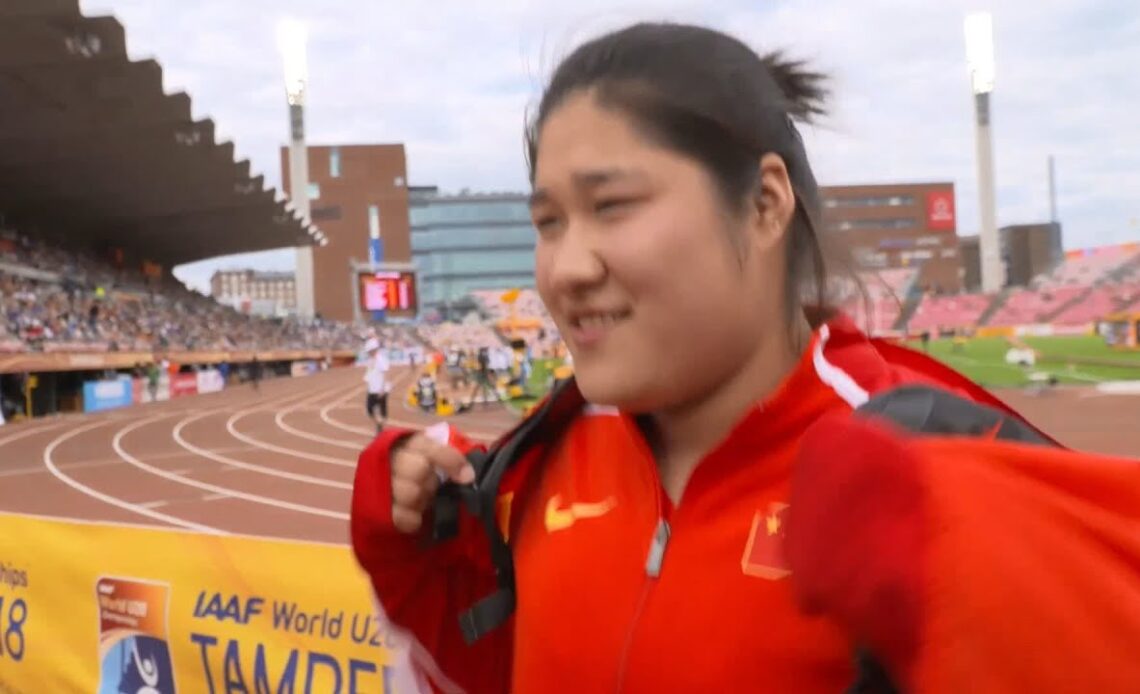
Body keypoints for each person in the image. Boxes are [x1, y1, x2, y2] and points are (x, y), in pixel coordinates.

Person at [350, 22, 1140, 694]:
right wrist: (421, 567)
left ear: (765, 204)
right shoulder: (536, 466)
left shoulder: (931, 470)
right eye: (549, 221)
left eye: (611, 206)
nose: (566, 267)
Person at [363, 337, 391, 432]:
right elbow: (369, 374)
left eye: (370, 351)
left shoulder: (381, 359)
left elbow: (385, 373)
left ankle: (380, 429)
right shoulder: (370, 360)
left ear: (374, 350)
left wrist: (382, 389)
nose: (368, 353)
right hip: (372, 389)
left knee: (383, 411)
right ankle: (379, 424)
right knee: (369, 409)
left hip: (381, 389)